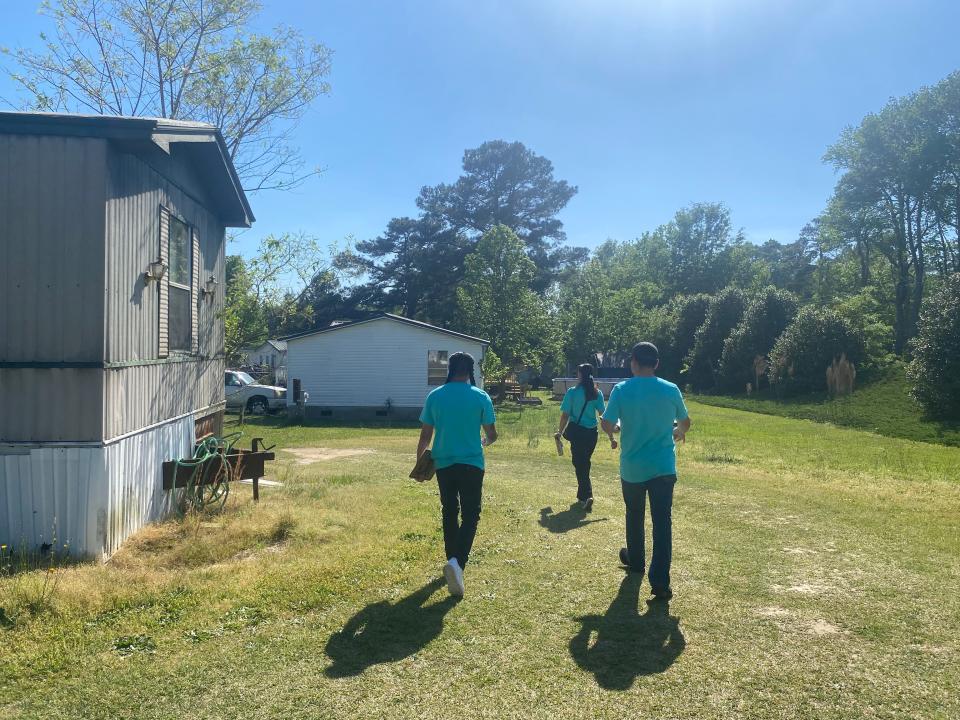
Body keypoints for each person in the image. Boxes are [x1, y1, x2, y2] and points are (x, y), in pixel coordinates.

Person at [601, 342, 691, 600]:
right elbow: (685, 422)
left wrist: (613, 430)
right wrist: (678, 432)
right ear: (657, 363)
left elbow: (607, 423)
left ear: (633, 361)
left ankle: (637, 561)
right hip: (663, 466)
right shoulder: (670, 389)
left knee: (634, 514)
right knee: (662, 523)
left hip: (632, 466)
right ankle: (660, 581)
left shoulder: (621, 389)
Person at [417, 352, 497, 598]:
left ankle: (452, 559)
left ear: (449, 369)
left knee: (449, 510)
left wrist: (420, 464)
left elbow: (425, 436)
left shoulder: (435, 396)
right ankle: (457, 563)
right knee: (471, 513)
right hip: (472, 463)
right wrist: (484, 441)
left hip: (444, 463)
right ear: (471, 371)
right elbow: (492, 434)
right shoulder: (480, 396)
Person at [556, 363, 617, 510]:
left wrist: (559, 431)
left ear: (580, 375)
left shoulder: (572, 392)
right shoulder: (597, 393)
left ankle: (587, 496)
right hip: (592, 434)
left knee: (580, 464)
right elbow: (604, 417)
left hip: (578, 433)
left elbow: (565, 415)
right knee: (584, 463)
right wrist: (611, 437)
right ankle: (582, 496)